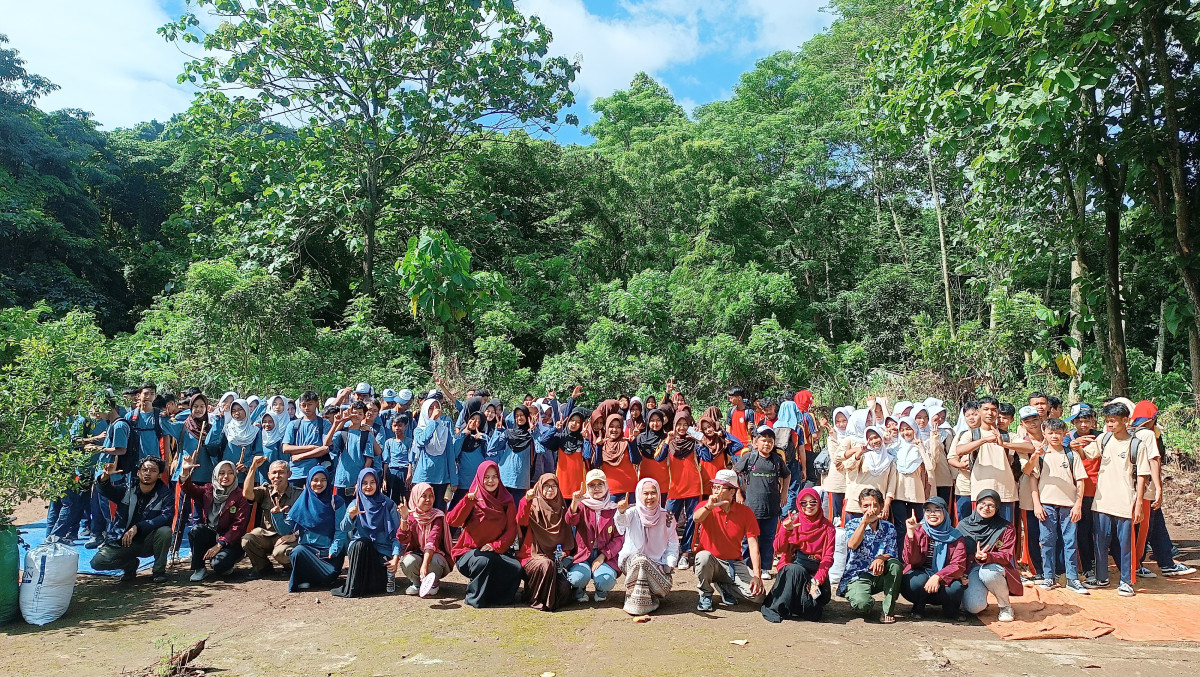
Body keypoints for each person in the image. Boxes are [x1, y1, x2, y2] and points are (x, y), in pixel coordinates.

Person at [1071, 402, 1154, 597]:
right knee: (1100, 540)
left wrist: (1139, 504)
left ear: (1125, 421)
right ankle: (1102, 577)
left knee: (1125, 543)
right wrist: (1077, 448)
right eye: (1107, 421)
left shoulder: (1136, 445)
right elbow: (1088, 455)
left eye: (1113, 421)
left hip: (1125, 501)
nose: (1110, 424)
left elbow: (1142, 475)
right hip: (1101, 501)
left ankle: (1126, 580)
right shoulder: (1104, 439)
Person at [446, 461, 523, 608]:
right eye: (486, 477)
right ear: (480, 478)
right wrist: (467, 502)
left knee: (515, 568)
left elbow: (511, 530)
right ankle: (474, 598)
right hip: (468, 553)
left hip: (495, 552)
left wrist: (495, 545)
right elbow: (452, 521)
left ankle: (497, 598)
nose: (491, 481)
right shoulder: (472, 498)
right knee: (483, 561)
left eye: (494, 477)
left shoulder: (507, 500)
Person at [1027, 417, 1089, 594]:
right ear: (1044, 433)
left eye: (1058, 433)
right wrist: (1037, 505)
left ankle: (1072, 578)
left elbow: (1081, 481)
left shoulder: (1071, 455)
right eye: (1051, 433)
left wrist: (1078, 505)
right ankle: (1048, 576)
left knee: (1070, 542)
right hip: (1046, 504)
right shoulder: (1040, 455)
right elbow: (1031, 477)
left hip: (1068, 506)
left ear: (1064, 434)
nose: (1054, 436)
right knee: (1046, 541)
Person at [692, 469, 766, 612]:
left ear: (732, 491)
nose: (715, 490)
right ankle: (705, 594)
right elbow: (696, 518)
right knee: (703, 557)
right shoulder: (705, 506)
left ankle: (725, 587)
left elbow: (753, 544)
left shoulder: (745, 512)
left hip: (733, 563)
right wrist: (709, 507)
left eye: (720, 487)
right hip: (710, 561)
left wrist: (757, 575)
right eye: (714, 486)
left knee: (758, 596)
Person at [91, 457, 174, 583]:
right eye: (144, 469)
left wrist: (138, 527)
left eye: (153, 470)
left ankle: (158, 571)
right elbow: (106, 491)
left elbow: (166, 517)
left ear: (159, 475)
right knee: (97, 562)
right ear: (138, 473)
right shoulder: (128, 489)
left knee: (165, 531)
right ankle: (130, 565)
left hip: (148, 542)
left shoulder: (165, 494)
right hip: (122, 540)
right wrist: (105, 477)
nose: (147, 473)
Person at [760, 487, 835, 623]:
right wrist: (785, 530)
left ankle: (799, 606)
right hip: (792, 569)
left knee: (812, 611)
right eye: (804, 503)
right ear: (798, 504)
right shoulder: (792, 522)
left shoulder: (828, 527)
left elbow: (828, 558)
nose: (809, 506)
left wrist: (817, 580)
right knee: (795, 570)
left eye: (813, 502)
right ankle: (779, 608)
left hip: (815, 573)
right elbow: (778, 548)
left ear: (819, 503)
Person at [614, 478, 679, 615]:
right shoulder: (632, 512)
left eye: (653, 493)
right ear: (639, 495)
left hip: (657, 565)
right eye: (646, 493)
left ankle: (648, 597)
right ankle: (639, 603)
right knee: (640, 561)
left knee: (645, 564)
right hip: (631, 563)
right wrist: (620, 511)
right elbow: (621, 525)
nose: (650, 497)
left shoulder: (667, 516)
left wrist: (668, 564)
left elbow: (672, 544)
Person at [333, 467, 400, 597]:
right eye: (364, 483)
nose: (368, 486)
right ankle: (355, 587)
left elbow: (396, 535)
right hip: (361, 552)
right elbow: (344, 528)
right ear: (359, 484)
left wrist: (396, 557)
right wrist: (351, 516)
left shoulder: (388, 504)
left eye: (372, 482)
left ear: (378, 483)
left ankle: (387, 577)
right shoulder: (355, 504)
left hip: (382, 551)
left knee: (378, 582)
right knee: (362, 543)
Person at [181, 459, 251, 581]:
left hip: (231, 540)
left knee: (220, 566)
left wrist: (220, 545)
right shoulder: (208, 490)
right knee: (197, 530)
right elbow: (189, 489)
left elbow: (238, 526)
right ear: (215, 475)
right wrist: (185, 472)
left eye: (230, 473)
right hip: (211, 534)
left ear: (235, 475)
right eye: (221, 473)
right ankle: (200, 568)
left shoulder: (240, 496)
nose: (226, 476)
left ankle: (230, 560)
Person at [839, 488, 902, 623]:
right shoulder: (852, 524)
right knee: (863, 605)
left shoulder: (889, 527)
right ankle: (863, 597)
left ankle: (887, 610)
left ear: (880, 506)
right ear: (861, 507)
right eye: (866, 506)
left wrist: (880, 558)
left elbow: (892, 552)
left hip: (879, 574)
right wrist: (864, 523)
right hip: (857, 575)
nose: (871, 509)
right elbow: (852, 544)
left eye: (875, 505)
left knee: (895, 565)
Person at [733, 426, 788, 579]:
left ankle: (765, 568)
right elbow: (734, 473)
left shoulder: (777, 460)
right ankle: (746, 566)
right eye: (763, 440)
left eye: (770, 441)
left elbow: (787, 475)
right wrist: (738, 492)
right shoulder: (749, 458)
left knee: (768, 538)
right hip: (751, 507)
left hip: (772, 507)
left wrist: (784, 492)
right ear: (755, 442)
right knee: (748, 538)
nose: (767, 444)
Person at [517, 473, 578, 611]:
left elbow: (568, 539)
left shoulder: (562, 509)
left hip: (555, 560)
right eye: (546, 486)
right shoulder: (532, 506)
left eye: (554, 486)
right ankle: (534, 599)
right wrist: (526, 500)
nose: (550, 489)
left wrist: (564, 553)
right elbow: (520, 520)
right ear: (539, 487)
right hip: (532, 556)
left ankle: (542, 597)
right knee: (545, 565)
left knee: (564, 589)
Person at [900, 496, 967, 619]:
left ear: (945, 513)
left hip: (945, 580)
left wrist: (938, 576)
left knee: (955, 589)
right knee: (914, 582)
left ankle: (951, 611)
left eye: (937, 509)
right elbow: (911, 560)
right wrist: (911, 534)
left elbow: (958, 565)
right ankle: (918, 607)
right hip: (922, 575)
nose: (932, 514)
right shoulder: (919, 530)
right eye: (928, 510)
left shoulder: (956, 536)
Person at [960, 489, 1021, 620]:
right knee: (975, 607)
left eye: (991, 505)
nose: (986, 508)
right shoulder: (963, 525)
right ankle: (978, 598)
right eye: (982, 503)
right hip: (972, 568)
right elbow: (956, 553)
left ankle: (1005, 606)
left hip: (995, 567)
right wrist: (960, 573)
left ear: (997, 508)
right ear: (976, 504)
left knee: (988, 572)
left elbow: (1006, 555)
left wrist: (988, 557)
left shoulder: (1005, 528)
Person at [285, 466, 348, 592]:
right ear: (309, 482)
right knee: (297, 552)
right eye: (315, 480)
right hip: (308, 552)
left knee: (328, 575)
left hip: (329, 558)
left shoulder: (336, 501)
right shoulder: (302, 501)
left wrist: (333, 551)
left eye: (323, 480)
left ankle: (316, 579)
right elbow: (285, 530)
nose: (319, 483)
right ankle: (306, 579)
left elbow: (341, 530)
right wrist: (275, 515)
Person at [240, 456, 302, 580]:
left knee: (280, 553)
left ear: (289, 474)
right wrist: (253, 468)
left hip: (289, 537)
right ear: (268, 475)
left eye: (281, 472)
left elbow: (309, 521)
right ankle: (262, 567)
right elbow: (247, 493)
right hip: (268, 535)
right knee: (247, 539)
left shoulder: (299, 494)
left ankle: (290, 566)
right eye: (274, 473)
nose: (277, 476)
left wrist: (295, 535)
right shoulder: (265, 491)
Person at [566, 469, 624, 602]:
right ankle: (579, 590)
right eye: (592, 485)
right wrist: (574, 503)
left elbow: (619, 537)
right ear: (587, 487)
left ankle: (601, 590)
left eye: (600, 484)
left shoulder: (613, 508)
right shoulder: (582, 505)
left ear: (606, 486)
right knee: (577, 578)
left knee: (606, 580)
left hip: (605, 554)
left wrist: (603, 556)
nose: (596, 488)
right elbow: (570, 521)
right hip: (583, 554)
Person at [397, 482, 455, 597]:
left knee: (435, 561)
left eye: (431, 496)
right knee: (408, 561)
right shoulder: (411, 516)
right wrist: (404, 519)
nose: (428, 499)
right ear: (415, 497)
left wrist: (424, 565)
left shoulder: (438, 516)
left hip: (436, 557)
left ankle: (433, 583)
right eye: (424, 496)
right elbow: (402, 539)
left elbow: (432, 540)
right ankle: (417, 584)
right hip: (417, 555)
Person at [413, 397, 464, 511]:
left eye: (437, 407)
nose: (435, 410)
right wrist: (432, 421)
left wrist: (453, 480)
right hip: (424, 477)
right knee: (422, 511)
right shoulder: (419, 429)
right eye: (430, 408)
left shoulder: (444, 430)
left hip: (441, 478)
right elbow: (423, 440)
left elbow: (450, 456)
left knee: (439, 513)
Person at [325, 402, 381, 498]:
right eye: (354, 413)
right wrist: (335, 424)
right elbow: (326, 443)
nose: (357, 416)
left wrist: (361, 480)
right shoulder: (342, 433)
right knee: (339, 510)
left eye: (360, 413)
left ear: (364, 416)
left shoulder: (366, 434)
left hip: (358, 482)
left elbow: (369, 460)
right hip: (341, 481)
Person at [842, 425, 897, 521]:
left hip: (876, 506)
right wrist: (859, 453)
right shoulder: (863, 456)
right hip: (857, 505)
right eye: (870, 439)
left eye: (876, 437)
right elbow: (847, 466)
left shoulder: (889, 459)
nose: (874, 441)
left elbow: (891, 486)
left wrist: (886, 505)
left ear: (881, 437)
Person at [206, 398, 264, 483]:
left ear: (246, 410)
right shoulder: (227, 429)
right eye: (233, 410)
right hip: (227, 477)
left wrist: (246, 466)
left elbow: (258, 454)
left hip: (247, 477)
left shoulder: (255, 431)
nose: (237, 413)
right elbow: (210, 444)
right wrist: (218, 422)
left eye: (240, 409)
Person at [282, 391, 332, 482]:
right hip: (295, 473)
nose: (306, 408)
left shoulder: (324, 424)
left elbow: (325, 448)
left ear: (316, 404)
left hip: (316, 472)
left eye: (310, 404)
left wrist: (300, 456)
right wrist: (311, 447)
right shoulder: (293, 424)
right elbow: (285, 448)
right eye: (303, 405)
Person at [593, 413, 640, 500]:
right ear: (606, 427)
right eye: (611, 426)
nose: (614, 429)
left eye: (618, 427)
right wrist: (598, 447)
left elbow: (636, 460)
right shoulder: (602, 444)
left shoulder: (626, 442)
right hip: (610, 492)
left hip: (629, 491)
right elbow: (597, 463)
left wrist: (632, 443)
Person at [634, 409, 670, 500]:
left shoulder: (667, 438)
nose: (655, 423)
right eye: (652, 420)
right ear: (648, 422)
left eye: (658, 420)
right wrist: (633, 440)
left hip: (664, 481)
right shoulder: (641, 438)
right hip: (645, 479)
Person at [381, 412, 412, 504]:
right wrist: (384, 478)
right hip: (392, 472)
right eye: (395, 425)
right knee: (392, 498)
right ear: (391, 427)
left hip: (405, 472)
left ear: (405, 426)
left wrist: (409, 474)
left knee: (406, 497)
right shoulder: (389, 442)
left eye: (400, 425)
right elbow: (386, 461)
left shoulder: (409, 442)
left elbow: (411, 460)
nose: (397, 428)